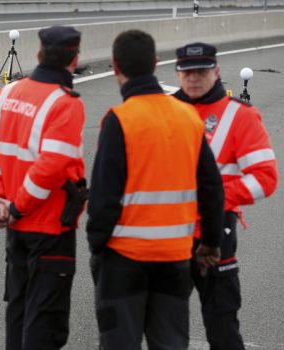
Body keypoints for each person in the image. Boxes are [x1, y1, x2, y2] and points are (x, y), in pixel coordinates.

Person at [86, 29, 225, 349]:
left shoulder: (119, 120)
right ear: (156, 64)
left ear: (114, 67)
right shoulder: (188, 117)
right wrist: (211, 241)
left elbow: (104, 199)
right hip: (176, 258)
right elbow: (212, 188)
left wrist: (97, 246)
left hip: (123, 258)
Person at [0, 25, 86, 349]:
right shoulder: (66, 104)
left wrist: (1, 203)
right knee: (45, 323)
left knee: (19, 312)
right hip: (49, 229)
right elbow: (51, 167)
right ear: (74, 59)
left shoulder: (7, 93)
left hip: (16, 227)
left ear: (38, 55)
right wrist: (19, 206)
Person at [173, 42, 278, 349]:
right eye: (187, 72)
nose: (193, 78)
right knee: (164, 328)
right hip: (166, 235)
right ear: (177, 74)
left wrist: (215, 198)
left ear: (216, 72)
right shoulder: (164, 111)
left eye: (201, 72)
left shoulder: (240, 116)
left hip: (216, 235)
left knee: (222, 326)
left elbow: (265, 178)